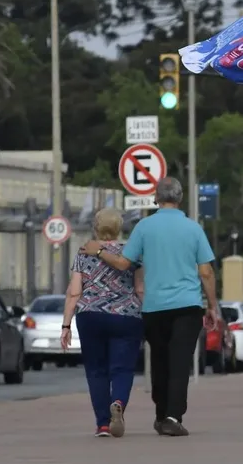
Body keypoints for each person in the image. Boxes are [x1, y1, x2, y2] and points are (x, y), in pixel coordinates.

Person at [82, 177, 220, 437]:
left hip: (155, 307)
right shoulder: (193, 228)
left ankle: (161, 413)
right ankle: (172, 416)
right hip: (188, 305)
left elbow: (123, 264)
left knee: (159, 360)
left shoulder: (144, 227)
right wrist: (213, 306)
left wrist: (99, 251)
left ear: (157, 198)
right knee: (180, 362)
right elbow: (206, 271)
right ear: (180, 199)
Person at [62, 208, 144, 438]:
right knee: (123, 368)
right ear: (118, 228)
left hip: (90, 316)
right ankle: (118, 402)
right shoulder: (131, 253)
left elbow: (74, 293)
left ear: (96, 227)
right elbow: (140, 288)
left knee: (96, 371)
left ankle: (103, 425)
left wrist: (66, 325)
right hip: (126, 317)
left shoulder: (84, 252)